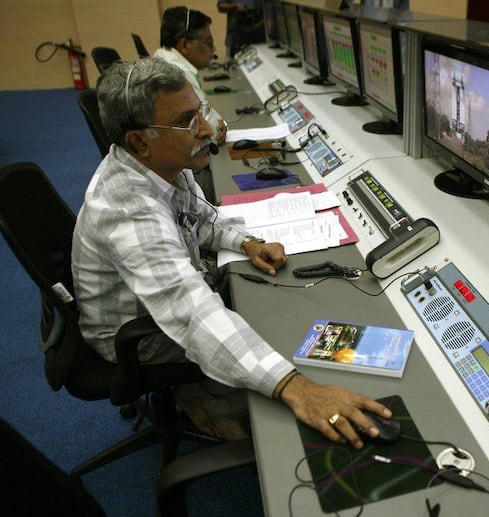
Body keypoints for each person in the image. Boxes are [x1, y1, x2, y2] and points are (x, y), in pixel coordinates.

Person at [72, 57, 391, 445]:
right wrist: (298, 389)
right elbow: (191, 313)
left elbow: (201, 219)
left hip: (162, 298)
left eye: (199, 112)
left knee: (272, 306)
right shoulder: (128, 211)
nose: (207, 130)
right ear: (140, 140)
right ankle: (201, 397)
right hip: (138, 333)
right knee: (278, 327)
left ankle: (198, 390)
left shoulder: (161, 165)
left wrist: (247, 242)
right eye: (188, 121)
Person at [153, 6, 225, 201]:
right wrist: (219, 125)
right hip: (186, 171)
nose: (214, 49)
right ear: (184, 45)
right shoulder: (177, 73)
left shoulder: (163, 58)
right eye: (209, 42)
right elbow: (212, 130)